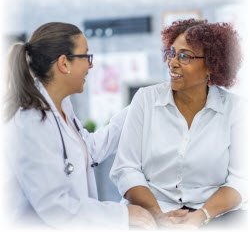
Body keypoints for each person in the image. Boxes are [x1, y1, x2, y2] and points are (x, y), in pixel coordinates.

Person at [3, 22, 158, 230]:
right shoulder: (29, 121)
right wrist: (122, 214)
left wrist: (140, 105)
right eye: (86, 56)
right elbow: (57, 207)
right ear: (64, 63)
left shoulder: (61, 106)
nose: (90, 65)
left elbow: (89, 149)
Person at [110, 19, 248, 229]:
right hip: (152, 213)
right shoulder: (145, 100)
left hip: (214, 216)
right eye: (171, 53)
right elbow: (126, 169)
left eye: (184, 56)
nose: (172, 62)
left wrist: (201, 215)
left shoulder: (236, 110)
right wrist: (158, 216)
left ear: (212, 65)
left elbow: (240, 180)